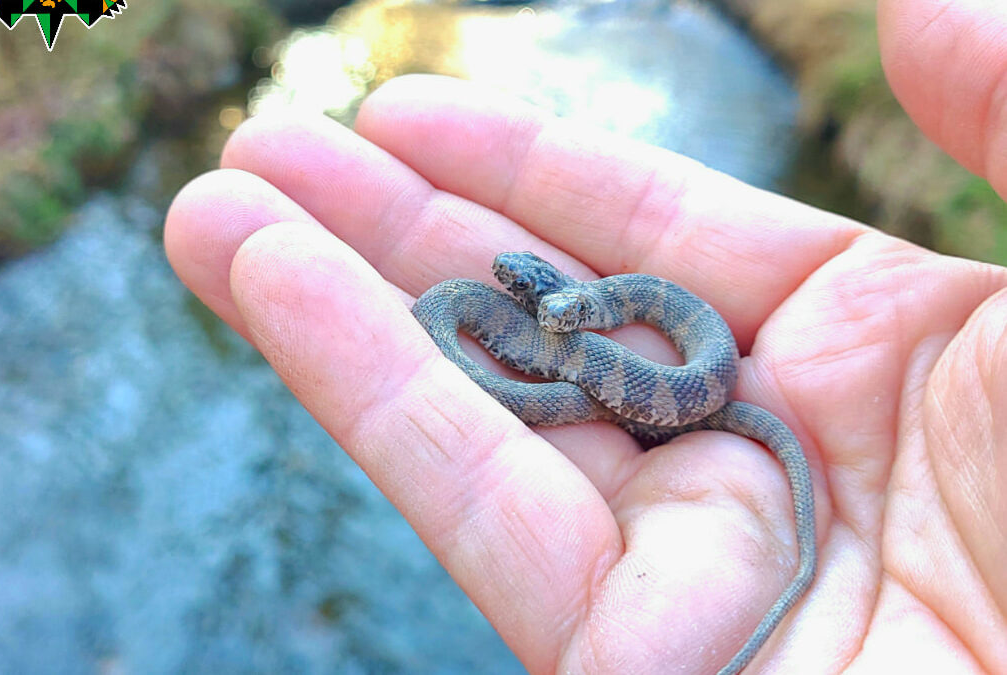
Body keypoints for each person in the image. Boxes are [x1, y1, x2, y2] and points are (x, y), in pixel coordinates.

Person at [164, 0, 1007, 671]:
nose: (525, 296)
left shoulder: (618, 313)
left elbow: (588, 324)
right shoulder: (527, 305)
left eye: (538, 296)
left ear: (565, 301)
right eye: (534, 299)